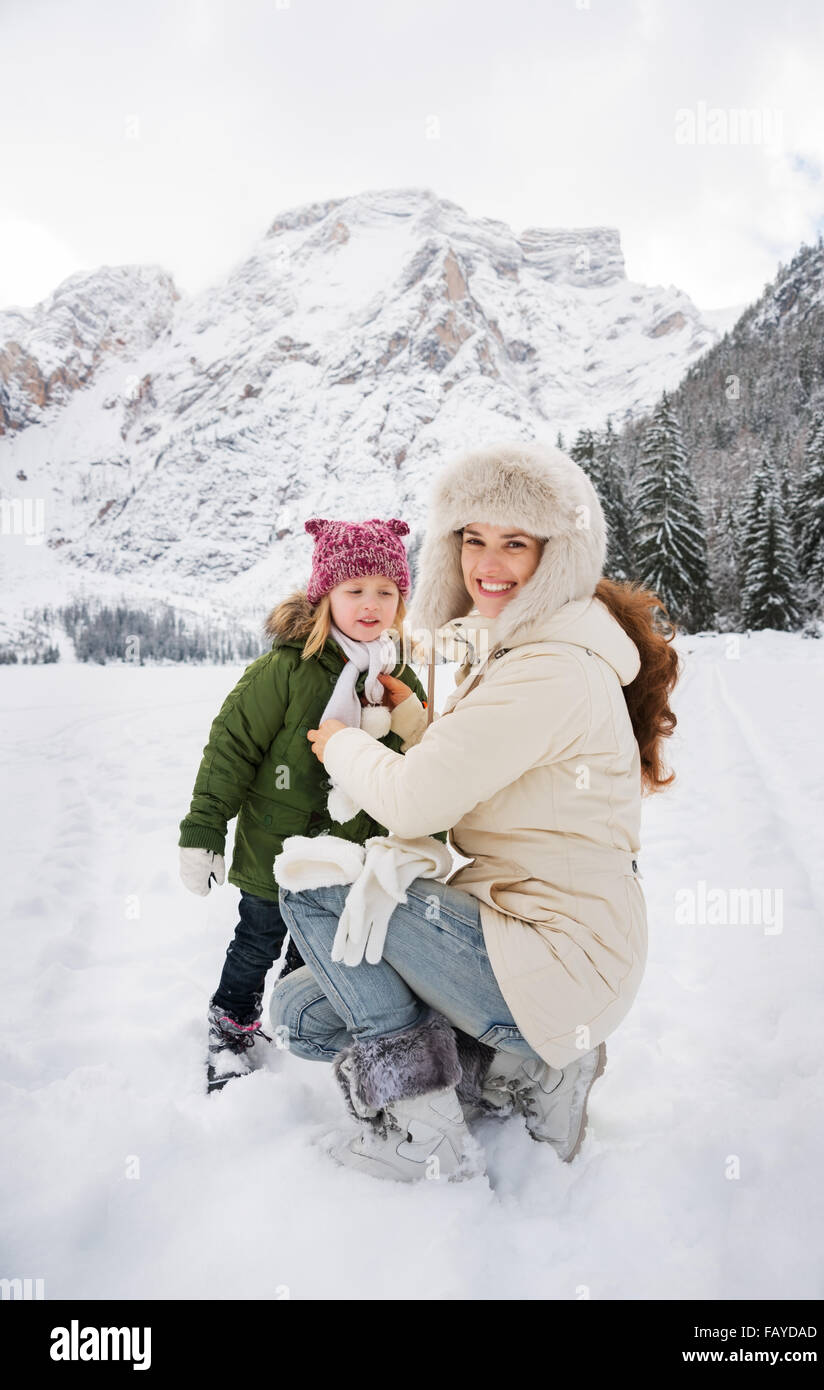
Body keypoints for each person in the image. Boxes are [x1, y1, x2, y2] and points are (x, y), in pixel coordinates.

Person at [269, 439, 680, 1182]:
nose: (488, 563)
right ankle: (513, 1061)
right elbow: (488, 767)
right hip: (540, 941)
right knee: (304, 1011)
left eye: (515, 542)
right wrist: (420, 727)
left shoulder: (547, 669)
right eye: (472, 539)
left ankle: (424, 1118)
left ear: (556, 554)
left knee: (314, 881)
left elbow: (412, 800)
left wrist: (337, 745)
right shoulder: (537, 648)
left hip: (555, 959)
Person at [177, 516, 438, 1092]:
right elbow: (231, 750)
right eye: (354, 590)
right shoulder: (284, 671)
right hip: (276, 850)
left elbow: (423, 767)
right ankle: (231, 1025)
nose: (371, 604)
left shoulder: (398, 676)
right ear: (325, 595)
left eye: (386, 591)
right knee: (257, 940)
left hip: (349, 856)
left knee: (317, 948)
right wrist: (202, 831)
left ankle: (294, 1027)